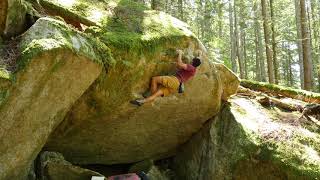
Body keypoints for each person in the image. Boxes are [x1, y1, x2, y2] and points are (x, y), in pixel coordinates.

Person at [130, 49, 201, 106]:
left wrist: (180, 53)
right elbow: (197, 62)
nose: (191, 59)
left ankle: (147, 98)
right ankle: (142, 101)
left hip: (174, 80)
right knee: (156, 94)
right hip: (175, 86)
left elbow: (180, 64)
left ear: (192, 62)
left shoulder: (191, 67)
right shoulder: (194, 71)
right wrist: (200, 55)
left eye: (193, 59)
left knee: (155, 79)